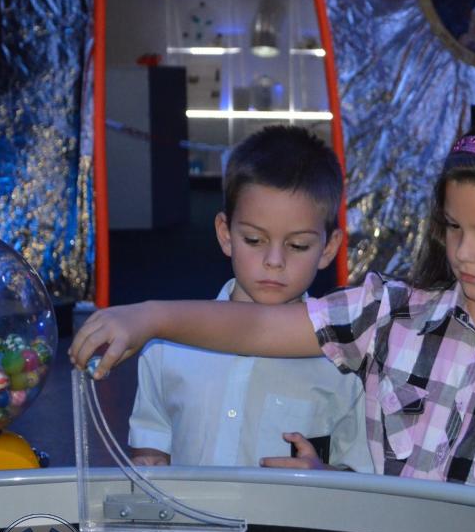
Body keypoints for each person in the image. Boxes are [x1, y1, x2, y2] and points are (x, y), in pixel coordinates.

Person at [71, 108, 475, 526]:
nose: (463, 252)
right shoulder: (389, 314)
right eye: (454, 227)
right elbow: (258, 327)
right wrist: (149, 316)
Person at [127, 125, 370, 472]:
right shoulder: (168, 347)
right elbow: (150, 441)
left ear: (328, 248)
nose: (274, 261)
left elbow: (362, 474)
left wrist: (324, 475)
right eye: (254, 240)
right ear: (226, 234)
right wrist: (149, 462)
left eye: (298, 245)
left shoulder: (344, 364)